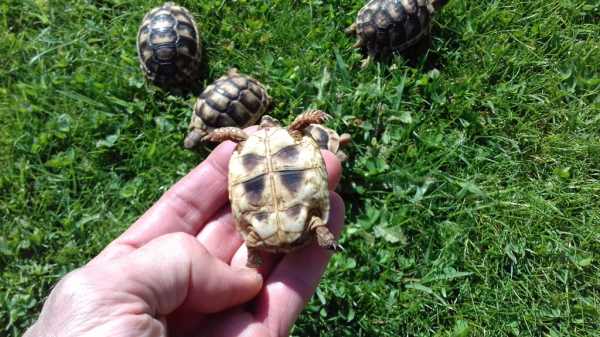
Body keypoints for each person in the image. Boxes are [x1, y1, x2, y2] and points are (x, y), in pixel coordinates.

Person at [23, 137, 345, 337]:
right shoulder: (294, 139)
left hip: (259, 227)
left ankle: (271, 249)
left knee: (257, 238)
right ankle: (319, 233)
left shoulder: (246, 146)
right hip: (301, 216)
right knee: (312, 218)